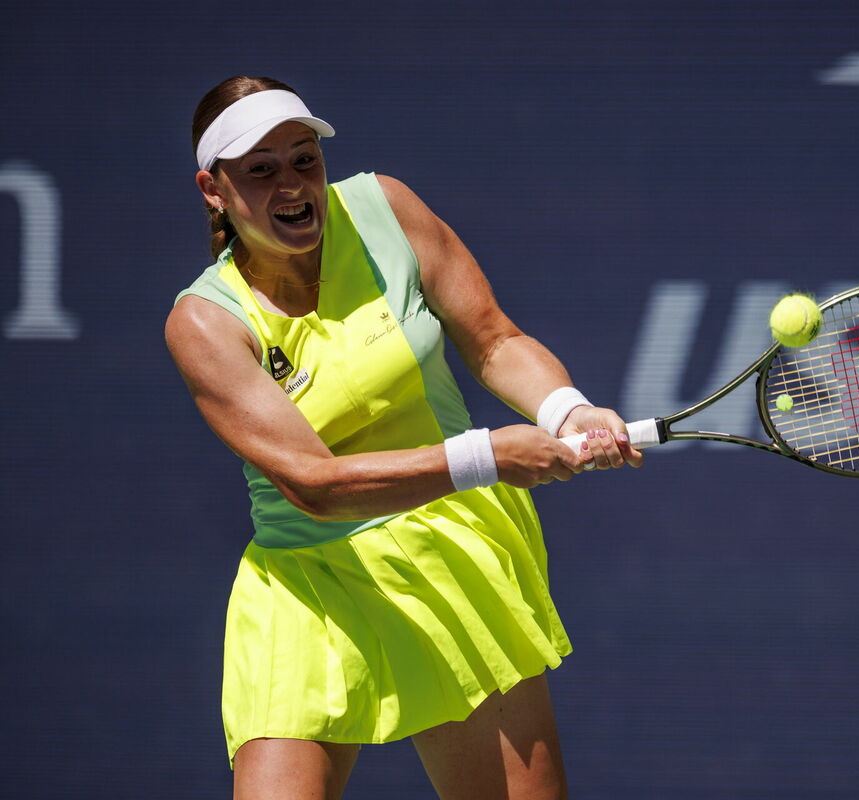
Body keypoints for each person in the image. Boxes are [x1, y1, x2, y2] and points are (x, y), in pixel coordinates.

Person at [165, 75, 642, 800]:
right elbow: (315, 486)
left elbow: (492, 340)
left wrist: (565, 411)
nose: (292, 184)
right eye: (260, 170)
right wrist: (487, 456)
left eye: (303, 160)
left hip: (446, 557)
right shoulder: (204, 323)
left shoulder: (385, 207)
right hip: (308, 589)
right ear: (214, 189)